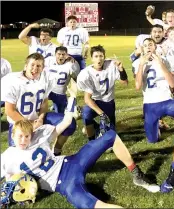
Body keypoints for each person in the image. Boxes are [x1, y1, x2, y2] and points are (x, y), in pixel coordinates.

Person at [1, 85, 160, 209]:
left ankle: (136, 173)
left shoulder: (40, 135)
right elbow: (7, 178)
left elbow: (65, 123)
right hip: (63, 183)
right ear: (12, 136)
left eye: (26, 136)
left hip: (71, 162)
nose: (23, 140)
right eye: (20, 136)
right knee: (92, 205)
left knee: (110, 135)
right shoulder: (8, 157)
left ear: (31, 134)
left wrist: (71, 103)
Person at [1, 53, 76, 156]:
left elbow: (44, 102)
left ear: (43, 68)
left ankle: (56, 151)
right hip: (19, 122)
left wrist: (40, 118)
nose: (35, 69)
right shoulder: (13, 80)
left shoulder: (46, 78)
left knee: (70, 124)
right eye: (32, 65)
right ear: (26, 66)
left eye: (38, 66)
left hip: (38, 119)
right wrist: (29, 125)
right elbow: (9, 111)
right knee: (20, 156)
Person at [134, 38, 174, 143]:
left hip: (166, 102)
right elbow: (138, 86)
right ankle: (157, 124)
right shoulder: (137, 63)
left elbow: (172, 84)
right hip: (150, 105)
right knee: (152, 140)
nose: (148, 47)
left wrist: (160, 63)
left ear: (155, 47)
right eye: (145, 45)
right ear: (142, 48)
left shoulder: (164, 60)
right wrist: (141, 65)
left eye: (150, 44)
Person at [77, 45, 128, 141]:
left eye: (101, 56)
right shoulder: (86, 73)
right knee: (86, 114)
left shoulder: (111, 66)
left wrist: (121, 69)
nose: (99, 59)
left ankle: (97, 129)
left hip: (109, 102)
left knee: (110, 136)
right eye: (96, 56)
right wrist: (102, 114)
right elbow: (87, 99)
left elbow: (124, 83)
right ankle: (91, 141)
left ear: (104, 57)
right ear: (91, 58)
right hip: (95, 102)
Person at [44, 46, 80, 113]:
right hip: (46, 89)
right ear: (55, 54)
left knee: (60, 114)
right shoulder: (48, 60)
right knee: (38, 106)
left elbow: (77, 79)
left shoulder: (72, 64)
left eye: (63, 54)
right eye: (59, 54)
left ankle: (72, 106)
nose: (61, 56)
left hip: (60, 92)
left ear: (67, 55)